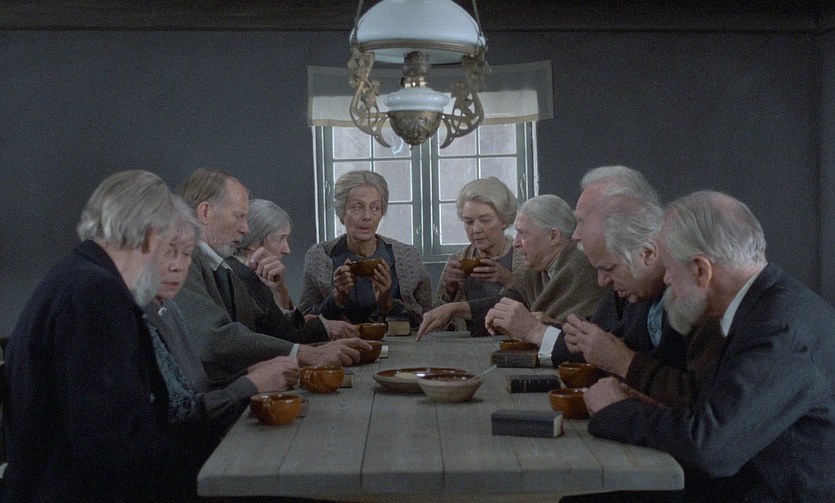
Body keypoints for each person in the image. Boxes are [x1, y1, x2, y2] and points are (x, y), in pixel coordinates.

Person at [585, 191, 835, 501]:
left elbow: (712, 448)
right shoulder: (763, 306)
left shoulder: (778, 331)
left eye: (670, 269)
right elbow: (718, 415)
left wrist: (619, 411)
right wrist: (652, 406)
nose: (666, 279)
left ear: (701, 270)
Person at [2, 171, 192, 500]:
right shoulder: (97, 294)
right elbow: (113, 446)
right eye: (167, 247)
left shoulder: (74, 276)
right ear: (150, 238)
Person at [175, 168, 367, 387]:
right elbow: (215, 339)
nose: (245, 229)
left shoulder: (219, 265)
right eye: (238, 216)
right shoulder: (184, 262)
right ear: (205, 212)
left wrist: (281, 293)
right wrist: (305, 353)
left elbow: (269, 327)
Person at [143, 198, 299, 452]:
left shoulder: (168, 309)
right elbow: (178, 420)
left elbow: (196, 393)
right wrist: (250, 384)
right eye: (168, 252)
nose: (178, 266)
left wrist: (247, 374)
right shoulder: (138, 317)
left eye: (186, 254)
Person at [418, 194, 603, 339]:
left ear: (553, 236)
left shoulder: (580, 267)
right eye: (468, 221)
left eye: (523, 234)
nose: (516, 243)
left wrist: (543, 327)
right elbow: (507, 302)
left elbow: (585, 333)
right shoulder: (539, 270)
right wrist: (452, 308)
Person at [299, 170, 432, 327]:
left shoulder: (407, 256)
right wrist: (336, 298)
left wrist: (387, 304)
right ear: (341, 213)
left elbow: (427, 321)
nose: (367, 216)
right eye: (357, 207)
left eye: (375, 208)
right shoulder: (320, 256)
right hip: (339, 342)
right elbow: (304, 323)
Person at [228, 199, 359, 341]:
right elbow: (281, 338)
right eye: (280, 239)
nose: (287, 250)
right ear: (252, 241)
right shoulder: (240, 279)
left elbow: (290, 328)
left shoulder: (260, 276)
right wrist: (323, 327)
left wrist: (281, 292)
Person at [433, 177, 527, 331]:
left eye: (485, 220)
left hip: (514, 340)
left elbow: (538, 309)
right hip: (467, 342)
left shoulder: (524, 257)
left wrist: (508, 279)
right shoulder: (457, 260)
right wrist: (450, 289)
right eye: (469, 222)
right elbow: (436, 324)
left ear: (503, 221)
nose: (476, 230)